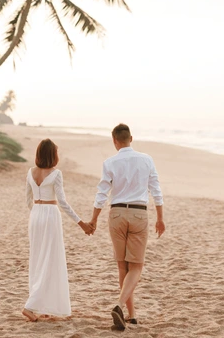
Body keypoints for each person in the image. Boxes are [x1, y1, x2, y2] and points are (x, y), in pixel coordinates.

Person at [88, 123, 165, 330]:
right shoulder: (146, 159)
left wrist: (94, 219)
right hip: (139, 213)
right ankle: (120, 306)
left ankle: (131, 315)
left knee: (123, 266)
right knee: (137, 266)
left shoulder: (109, 162)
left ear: (115, 141)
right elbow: (156, 190)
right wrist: (160, 218)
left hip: (117, 213)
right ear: (131, 138)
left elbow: (102, 193)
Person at [22, 138, 94, 322]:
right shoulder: (56, 174)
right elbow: (62, 201)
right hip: (50, 215)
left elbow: (28, 200)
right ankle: (30, 306)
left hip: (36, 215)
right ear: (53, 155)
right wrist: (81, 223)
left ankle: (43, 306)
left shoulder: (30, 172)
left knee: (38, 259)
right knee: (49, 259)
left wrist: (37, 213)